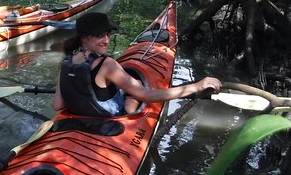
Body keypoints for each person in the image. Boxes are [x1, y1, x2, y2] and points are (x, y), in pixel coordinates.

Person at [53, 12, 222, 116]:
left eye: (107, 34)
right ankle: (129, 109)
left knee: (125, 87)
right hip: (107, 120)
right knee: (135, 91)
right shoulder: (107, 64)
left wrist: (81, 96)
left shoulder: (67, 60)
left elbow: (58, 105)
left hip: (81, 120)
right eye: (99, 36)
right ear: (84, 38)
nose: (106, 40)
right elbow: (147, 96)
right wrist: (196, 86)